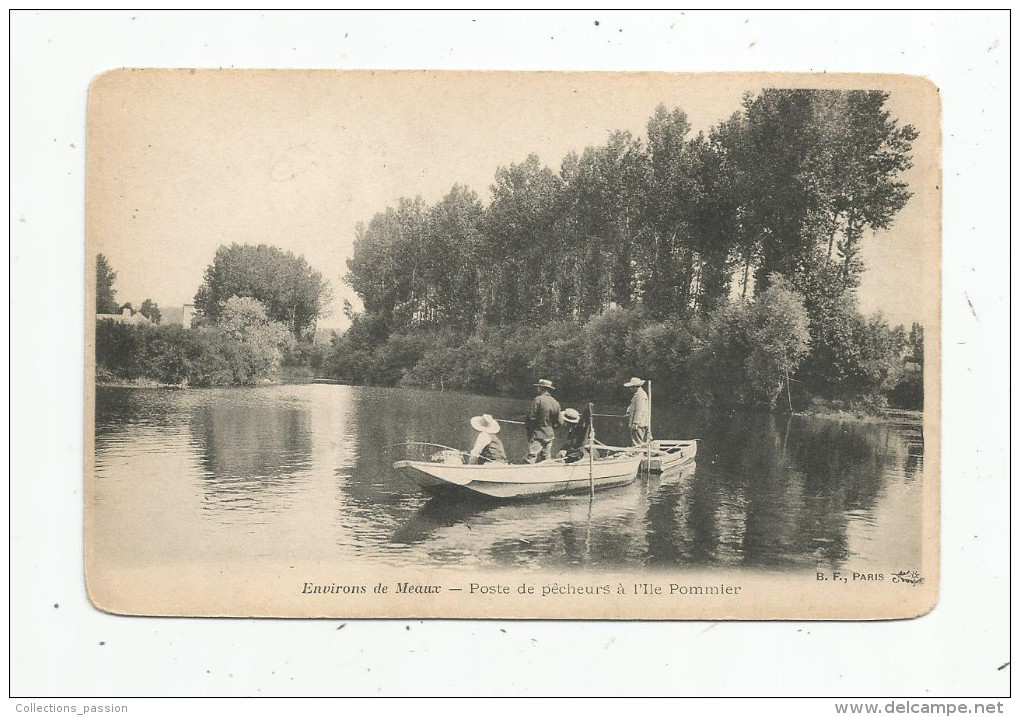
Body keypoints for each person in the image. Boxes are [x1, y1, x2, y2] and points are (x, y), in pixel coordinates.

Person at [524, 378, 561, 463]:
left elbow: (530, 418)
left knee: (530, 458)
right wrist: (551, 427)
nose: (537, 389)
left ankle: (527, 475)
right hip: (550, 435)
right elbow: (559, 422)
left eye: (539, 387)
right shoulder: (555, 402)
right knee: (546, 459)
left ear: (541, 388)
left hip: (538, 434)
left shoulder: (538, 399)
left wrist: (530, 432)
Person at [624, 377, 650, 446]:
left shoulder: (640, 395)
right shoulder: (638, 395)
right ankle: (638, 453)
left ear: (636, 387)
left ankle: (638, 454)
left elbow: (640, 410)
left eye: (632, 387)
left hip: (639, 423)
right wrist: (628, 413)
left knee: (637, 441)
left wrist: (636, 423)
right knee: (637, 440)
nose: (630, 388)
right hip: (639, 423)